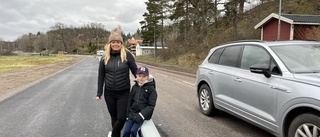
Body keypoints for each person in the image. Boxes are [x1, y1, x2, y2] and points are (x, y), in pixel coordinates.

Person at [96, 27, 137, 137]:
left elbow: (135, 71)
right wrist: (99, 93)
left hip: (123, 92)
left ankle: (114, 134)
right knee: (114, 117)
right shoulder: (105, 57)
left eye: (118, 42)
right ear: (110, 43)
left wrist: (145, 80)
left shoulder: (127, 55)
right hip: (109, 93)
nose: (115, 44)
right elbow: (101, 76)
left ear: (121, 43)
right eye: (113, 42)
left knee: (122, 118)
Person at [122, 66, 157, 137]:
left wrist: (141, 115)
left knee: (133, 130)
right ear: (136, 76)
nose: (141, 78)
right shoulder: (135, 87)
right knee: (126, 131)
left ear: (147, 77)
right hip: (132, 113)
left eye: (144, 76)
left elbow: (151, 105)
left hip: (142, 114)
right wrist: (127, 115)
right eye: (139, 76)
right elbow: (130, 101)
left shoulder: (151, 89)